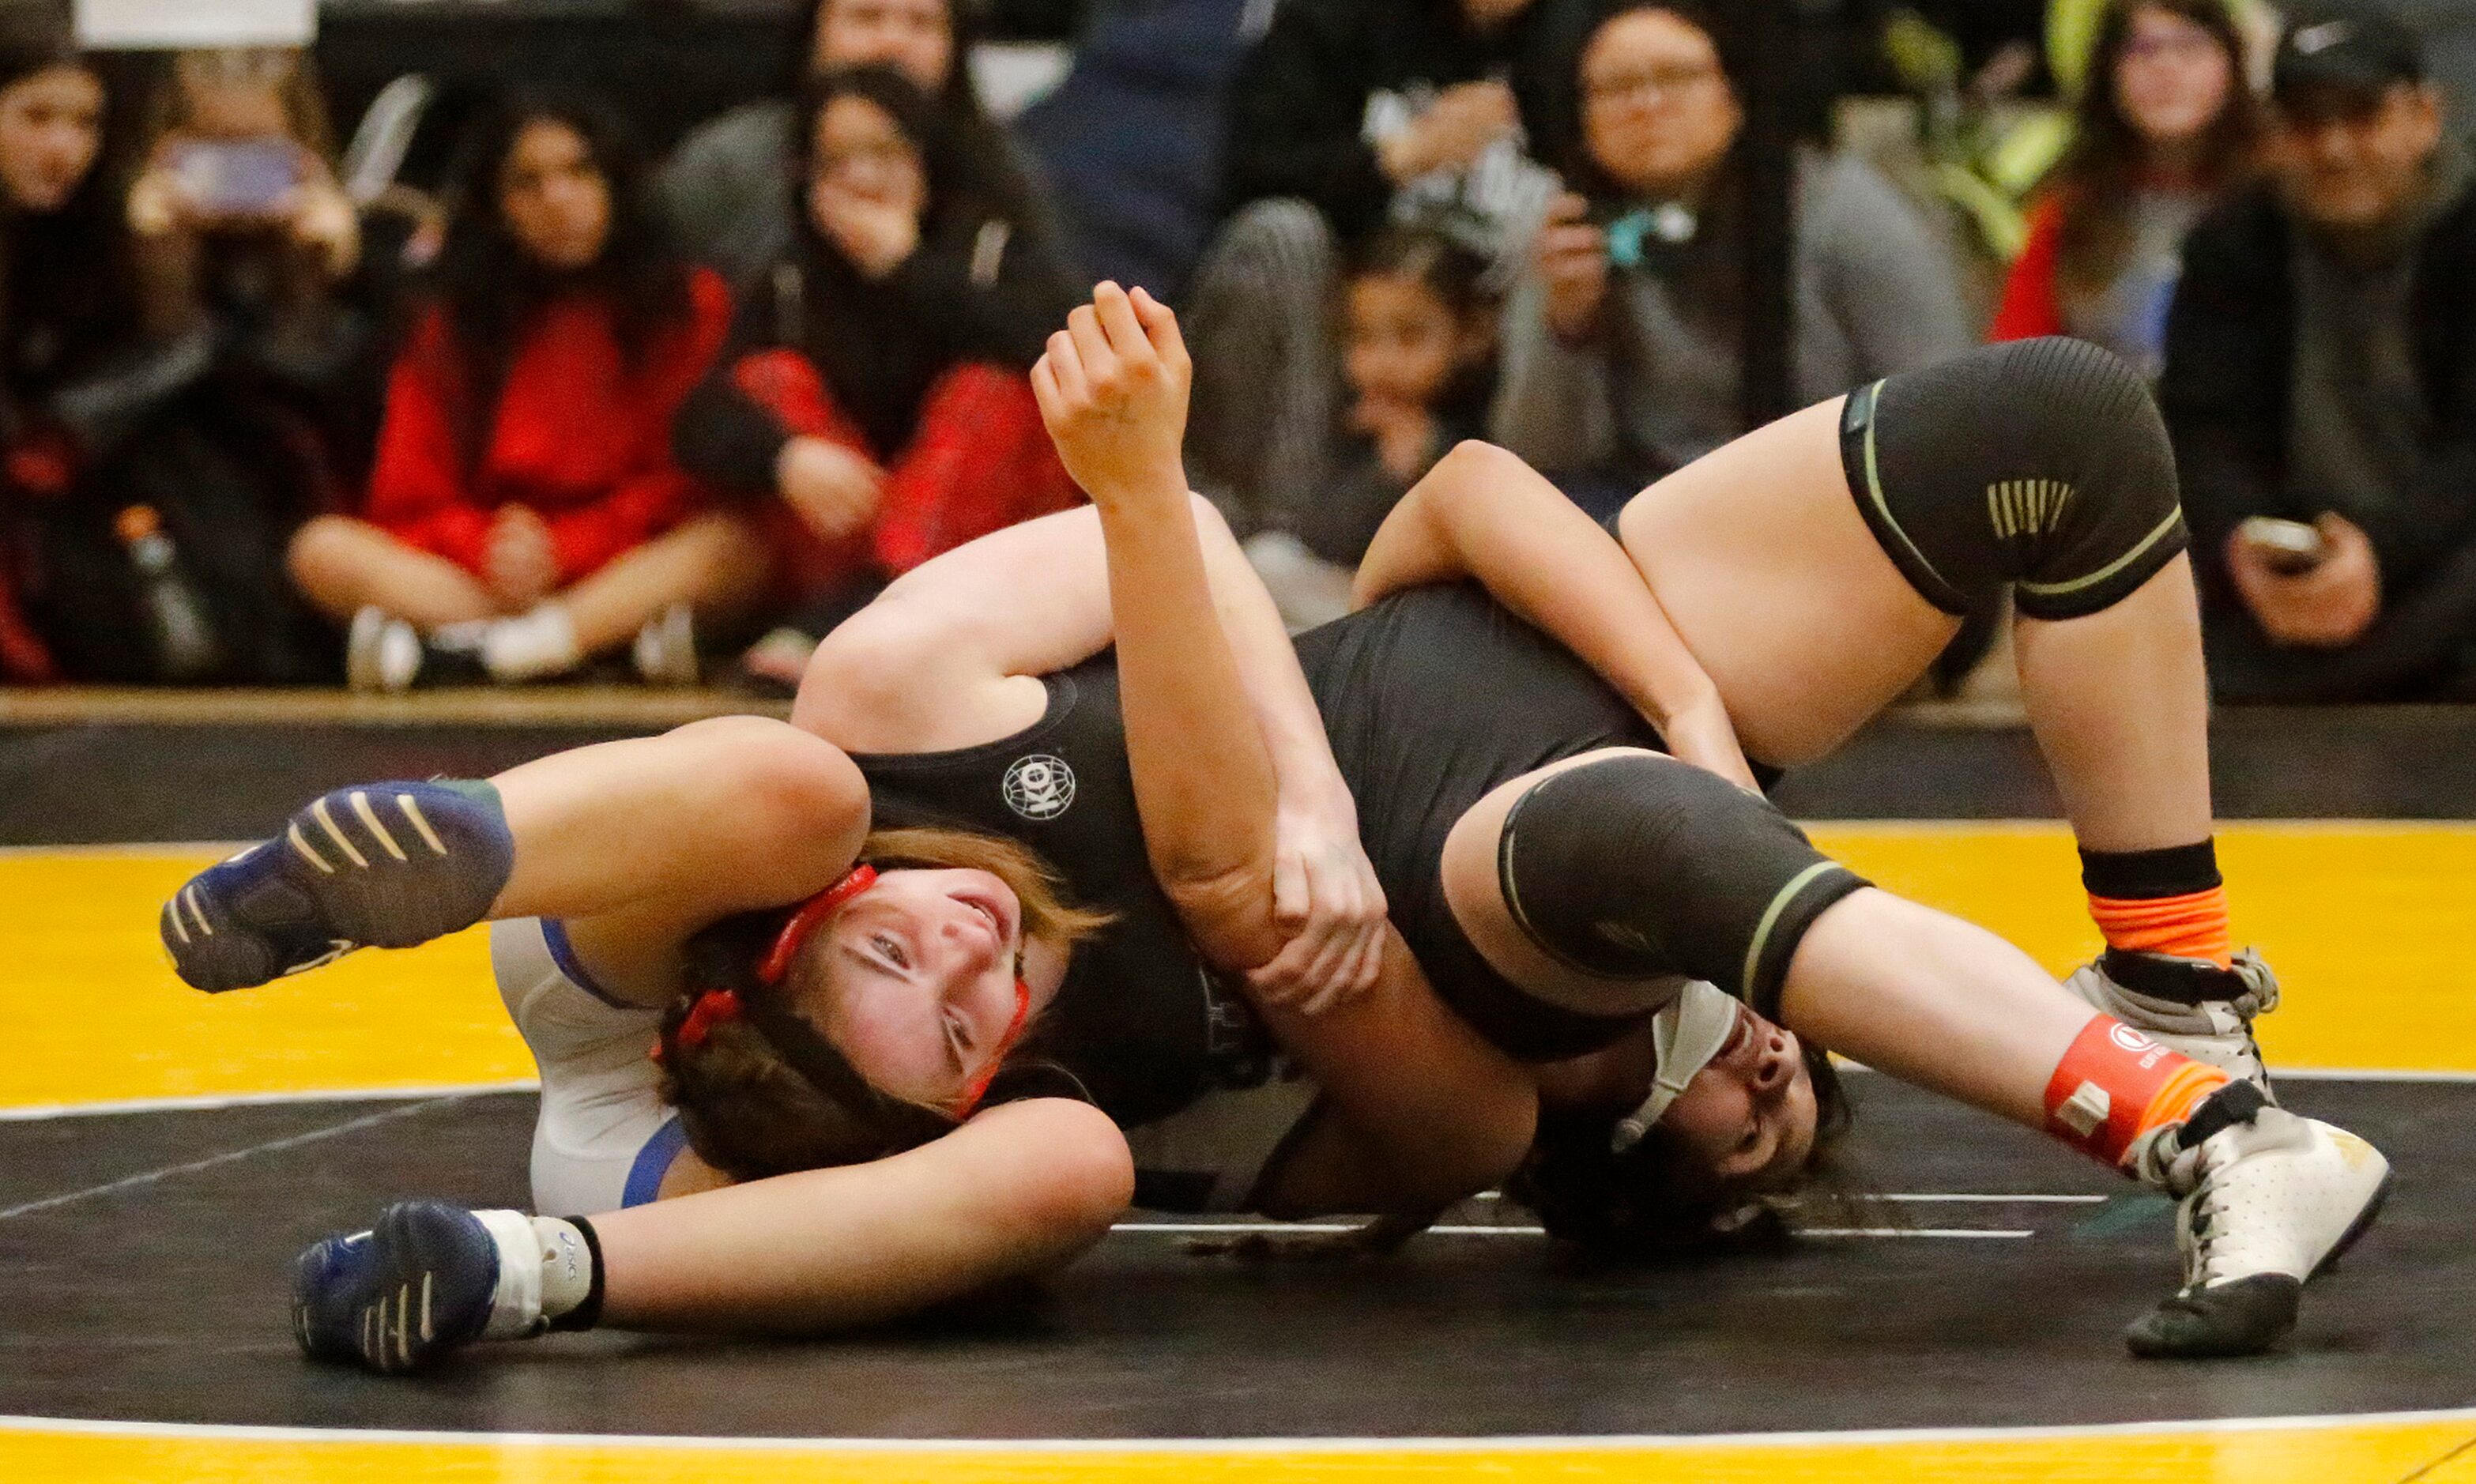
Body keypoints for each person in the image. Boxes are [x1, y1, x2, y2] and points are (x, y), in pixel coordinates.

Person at [169, 288, 2386, 1376]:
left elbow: (1382, 524)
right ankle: (2183, 1111)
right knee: (1149, 1027)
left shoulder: (855, 809)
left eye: (898, 949)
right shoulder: (1112, 1092)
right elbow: (1404, 1091)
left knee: (2062, 430)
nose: (963, 955)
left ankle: (2174, 987)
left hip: (1389, 715)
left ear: (791, 942)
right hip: (1468, 823)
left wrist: (1685, 714)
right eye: (953, 1011)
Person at [285, 92, 763, 691]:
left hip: (623, 561)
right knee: (321, 550)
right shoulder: (452, 318)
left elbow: (688, 479)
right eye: (528, 183)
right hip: (488, 572)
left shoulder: (689, 303)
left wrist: (568, 548)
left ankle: (477, 655)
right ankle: (573, 647)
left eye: (578, 172)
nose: (558, 200)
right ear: (497, 206)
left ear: (616, 182)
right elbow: (405, 493)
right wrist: (488, 546)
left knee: (734, 547)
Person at [673, 66, 1084, 689]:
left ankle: (870, 609)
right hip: (850, 532)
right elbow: (700, 414)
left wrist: (905, 265)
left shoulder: (996, 246)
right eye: (837, 160)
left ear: (928, 160)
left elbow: (1059, 353)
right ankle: (851, 607)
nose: (862, 178)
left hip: (992, 548)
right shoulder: (791, 277)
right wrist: (785, 456)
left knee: (988, 388)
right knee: (771, 379)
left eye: (884, 153)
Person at [1493, 1, 1974, 498]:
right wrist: (1565, 328)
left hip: (1828, 495)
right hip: (1649, 510)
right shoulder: (1571, 228)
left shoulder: (1836, 208)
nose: (1646, 104)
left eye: (1675, 76)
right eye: (1615, 87)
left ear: (1735, 91)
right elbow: (1536, 456)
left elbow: (1946, 406)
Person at [2161, 0, 2476, 701]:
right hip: (2284, 563)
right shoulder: (2232, 242)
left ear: (2423, 117)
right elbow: (2202, 429)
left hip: (2438, 558)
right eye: (2305, 123)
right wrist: (2243, 546)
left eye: (2360, 115)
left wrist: (2379, 554)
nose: (2333, 148)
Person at [0, 26, 328, 684]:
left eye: (84, 123)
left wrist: (321, 267)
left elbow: (293, 393)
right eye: (36, 117)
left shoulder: (77, 233)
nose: (64, 146)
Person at [1185, 0, 1559, 543]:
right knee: (1282, 233)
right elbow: (1245, 190)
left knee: (1566, 250)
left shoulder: (1593, 38)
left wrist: (1445, 437)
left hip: (1493, 380)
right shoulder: (1333, 21)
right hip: (1315, 362)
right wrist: (1402, 156)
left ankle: (1523, 522)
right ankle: (1261, 534)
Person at [654, 0, 1062, 291]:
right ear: (814, 33)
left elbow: (1048, 324)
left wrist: (907, 270)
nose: (892, 44)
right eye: (866, 18)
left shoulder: (1003, 169)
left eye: (921, 23)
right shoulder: (728, 162)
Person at [1992, 1, 2262, 378]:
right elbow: (2013, 367)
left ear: (2235, 63)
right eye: (2143, 49)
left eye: (2189, 47)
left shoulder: (2276, 200)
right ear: (2109, 71)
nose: (2166, 69)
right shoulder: (2070, 210)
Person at [1246, 227, 1498, 629]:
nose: (1382, 362)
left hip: (1443, 613)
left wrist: (1429, 454)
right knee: (1265, 560)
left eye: (1411, 337)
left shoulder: (1491, 414)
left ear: (1473, 334)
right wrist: (1385, 471)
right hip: (1354, 594)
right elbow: (1319, 538)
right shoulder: (1351, 411)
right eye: (1363, 338)